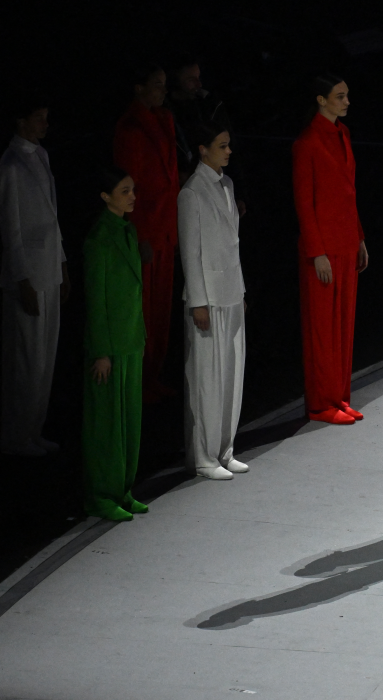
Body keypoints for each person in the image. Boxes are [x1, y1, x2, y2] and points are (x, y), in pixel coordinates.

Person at [293, 73, 368, 425]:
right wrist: (316, 251)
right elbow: (304, 203)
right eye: (340, 96)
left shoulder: (343, 134)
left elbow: (349, 191)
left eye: (346, 95)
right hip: (323, 247)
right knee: (323, 328)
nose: (347, 101)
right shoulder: (307, 143)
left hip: (346, 241)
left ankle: (339, 395)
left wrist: (359, 237)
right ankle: (321, 402)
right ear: (321, 100)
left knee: (343, 325)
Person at [178, 122, 248, 480]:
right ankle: (203, 456)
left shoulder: (227, 185)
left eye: (228, 144)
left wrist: (241, 290)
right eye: (222, 145)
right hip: (208, 296)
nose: (228, 151)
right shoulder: (191, 192)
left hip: (231, 291)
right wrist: (198, 301)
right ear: (203, 149)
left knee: (232, 374)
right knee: (207, 376)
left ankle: (224, 449)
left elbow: (231, 244)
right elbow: (190, 252)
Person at [0, 97, 68, 456]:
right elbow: (10, 229)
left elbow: (51, 217)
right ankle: (17, 435)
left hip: (49, 268)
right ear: (21, 121)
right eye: (39, 118)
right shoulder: (11, 164)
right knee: (27, 359)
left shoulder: (41, 156)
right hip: (29, 274)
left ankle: (34, 429)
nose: (45, 124)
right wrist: (21, 278)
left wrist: (62, 263)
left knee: (45, 357)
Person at [82, 168, 148, 522]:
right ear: (106, 196)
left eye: (132, 190)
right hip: (110, 344)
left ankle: (123, 489)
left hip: (131, 337)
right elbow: (95, 300)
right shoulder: (99, 238)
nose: (132, 196)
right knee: (107, 424)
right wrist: (101, 352)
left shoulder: (127, 231)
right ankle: (101, 494)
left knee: (129, 421)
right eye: (124, 191)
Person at [113, 63, 180, 402]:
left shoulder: (164, 119)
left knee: (161, 311)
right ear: (139, 88)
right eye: (156, 84)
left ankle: (151, 378)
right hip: (148, 230)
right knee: (144, 310)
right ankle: (138, 381)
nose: (163, 90)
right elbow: (130, 186)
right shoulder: (131, 127)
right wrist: (139, 235)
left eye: (164, 84)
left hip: (165, 227)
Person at [163, 54, 234, 181]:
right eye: (191, 80)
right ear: (174, 82)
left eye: (198, 77)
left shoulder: (211, 107)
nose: (199, 84)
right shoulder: (161, 114)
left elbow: (231, 152)